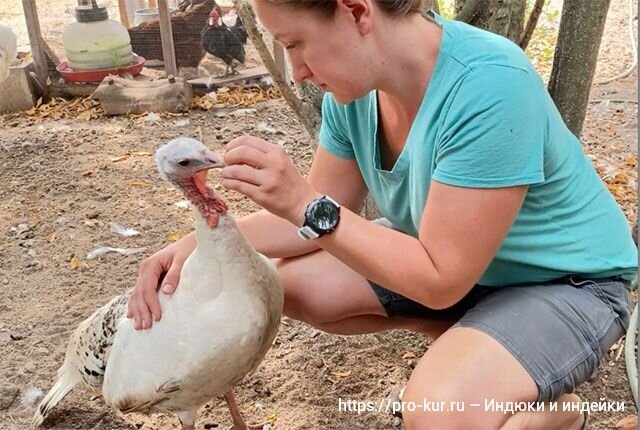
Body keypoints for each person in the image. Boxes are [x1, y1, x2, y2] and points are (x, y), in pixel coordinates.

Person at [128, 1, 638, 428]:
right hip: (464, 272)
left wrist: (303, 202)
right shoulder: (356, 94)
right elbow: (314, 222)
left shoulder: (489, 85)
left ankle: (549, 412)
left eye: (294, 44)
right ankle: (489, 363)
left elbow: (435, 278)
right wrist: (198, 242)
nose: (296, 71)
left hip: (566, 282)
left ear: (356, 10)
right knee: (288, 285)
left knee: (438, 413)